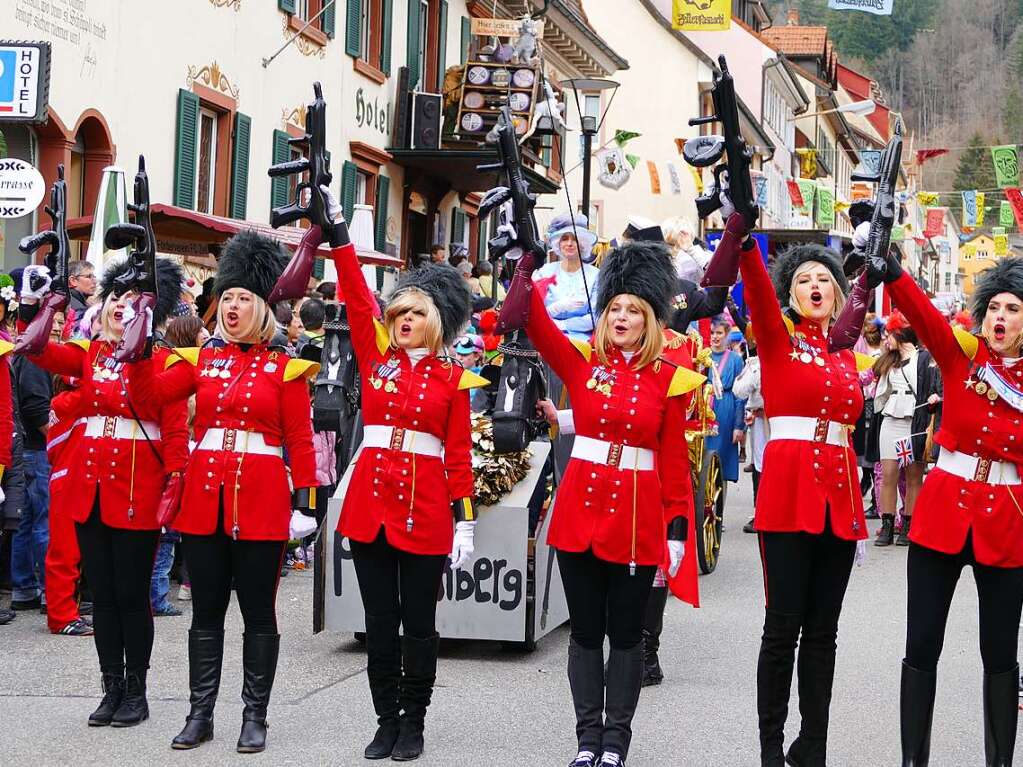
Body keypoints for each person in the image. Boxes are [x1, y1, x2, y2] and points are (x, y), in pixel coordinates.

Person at [506, 236, 701, 767]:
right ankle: (587, 741)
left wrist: (678, 528)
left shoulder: (670, 379)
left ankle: (616, 742)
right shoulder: (582, 366)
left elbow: (674, 462)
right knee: (585, 635)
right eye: (614, 307)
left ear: (649, 321)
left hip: (635, 522)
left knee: (626, 638)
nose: (620, 317)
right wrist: (525, 261)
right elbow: (531, 320)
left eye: (632, 311)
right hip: (579, 518)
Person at [127, 231, 319, 753]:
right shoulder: (198, 361)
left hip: (260, 501)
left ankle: (254, 715)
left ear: (260, 307)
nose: (232, 307)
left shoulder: (288, 367)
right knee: (206, 612)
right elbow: (147, 396)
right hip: (205, 500)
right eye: (227, 298)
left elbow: (301, 441)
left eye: (242, 299)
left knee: (259, 613)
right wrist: (141, 347)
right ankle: (200, 713)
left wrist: (306, 504)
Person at [323, 195, 487, 762]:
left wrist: (465, 521)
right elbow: (354, 290)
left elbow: (459, 456)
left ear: (433, 322)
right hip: (372, 504)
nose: (405, 322)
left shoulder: (454, 378)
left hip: (426, 509)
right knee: (378, 622)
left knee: (418, 625)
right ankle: (384, 719)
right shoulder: (375, 362)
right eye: (399, 315)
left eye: (415, 314)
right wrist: (340, 233)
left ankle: (413, 720)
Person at [704, 226, 869, 765]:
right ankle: (771, 746)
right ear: (791, 293)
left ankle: (813, 745)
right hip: (789, 495)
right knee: (783, 629)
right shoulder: (777, 339)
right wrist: (745, 237)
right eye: (804, 280)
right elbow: (753, 284)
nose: (816, 286)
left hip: (838, 501)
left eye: (825, 279)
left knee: (824, 633)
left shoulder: (847, 354)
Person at [16, 257, 189, 728]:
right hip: (90, 489)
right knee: (106, 596)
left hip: (136, 492)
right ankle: (111, 685)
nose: (120, 306)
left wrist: (175, 482)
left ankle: (137, 690)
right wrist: (45, 303)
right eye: (115, 297)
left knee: (133, 596)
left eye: (133, 300)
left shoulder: (165, 361)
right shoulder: (92, 353)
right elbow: (38, 352)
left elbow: (173, 427)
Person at [870, 251, 1023, 765]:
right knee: (922, 647)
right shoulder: (962, 355)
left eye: (1014, 309)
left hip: (1006, 521)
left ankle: (999, 761)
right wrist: (891, 269)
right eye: (995, 307)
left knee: (1000, 655)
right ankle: (914, 760)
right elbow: (923, 315)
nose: (1000, 318)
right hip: (942, 516)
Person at [870, 312, 933, 547]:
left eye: (890, 334)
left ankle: (909, 523)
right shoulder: (888, 359)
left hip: (913, 422)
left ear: (901, 334)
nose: (886, 339)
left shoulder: (924, 359)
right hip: (891, 421)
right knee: (888, 474)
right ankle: (887, 524)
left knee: (913, 475)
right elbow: (878, 391)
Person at [534, 212, 600, 343]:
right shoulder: (544, 272)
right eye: (564, 238)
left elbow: (596, 317)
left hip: (581, 344)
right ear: (558, 243)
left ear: (583, 243)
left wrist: (562, 325)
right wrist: (556, 308)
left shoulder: (595, 275)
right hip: (546, 340)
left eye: (575, 239)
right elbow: (534, 313)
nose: (569, 243)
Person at [662, 216, 711, 284]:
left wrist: (691, 250)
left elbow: (716, 273)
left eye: (678, 246)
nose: (674, 250)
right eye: (670, 244)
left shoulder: (700, 256)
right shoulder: (660, 257)